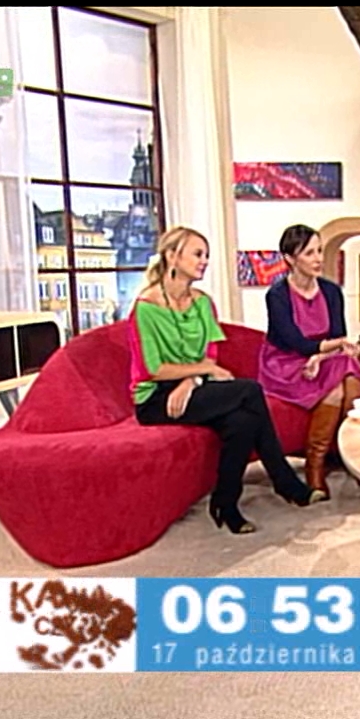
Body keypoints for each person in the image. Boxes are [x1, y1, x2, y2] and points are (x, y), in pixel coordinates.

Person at [130, 226, 327, 536]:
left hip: (193, 386)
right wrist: (199, 373)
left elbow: (209, 355)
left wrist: (192, 380)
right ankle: (285, 483)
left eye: (206, 255)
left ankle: (226, 503)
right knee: (250, 391)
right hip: (156, 398)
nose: (204, 261)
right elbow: (153, 368)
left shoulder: (203, 303)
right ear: (172, 256)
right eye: (198, 254)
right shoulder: (147, 307)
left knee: (243, 422)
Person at [258, 224, 360, 496]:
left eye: (319, 251)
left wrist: (321, 356)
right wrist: (326, 351)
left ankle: (333, 460)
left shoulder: (331, 291)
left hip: (322, 357)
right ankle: (322, 463)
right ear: (290, 259)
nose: (318, 259)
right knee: (340, 380)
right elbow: (294, 342)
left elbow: (337, 334)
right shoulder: (277, 295)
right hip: (286, 363)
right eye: (309, 253)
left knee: (347, 370)